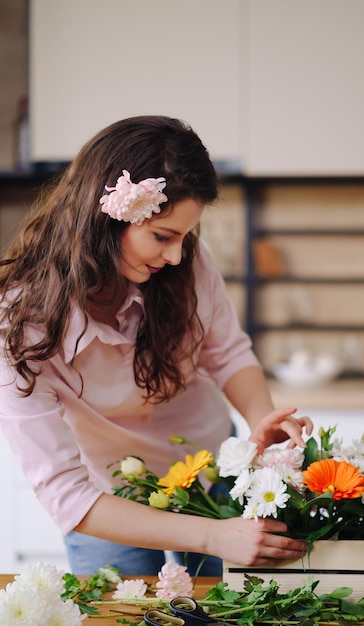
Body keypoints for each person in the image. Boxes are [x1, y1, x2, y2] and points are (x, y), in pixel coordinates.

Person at [0, 115, 313, 576]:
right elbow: (67, 495)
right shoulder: (20, 323)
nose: (176, 256)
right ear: (104, 220)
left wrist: (261, 421)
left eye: (185, 237)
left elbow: (227, 352)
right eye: (163, 236)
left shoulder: (186, 265)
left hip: (212, 472)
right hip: (108, 498)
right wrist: (211, 536)